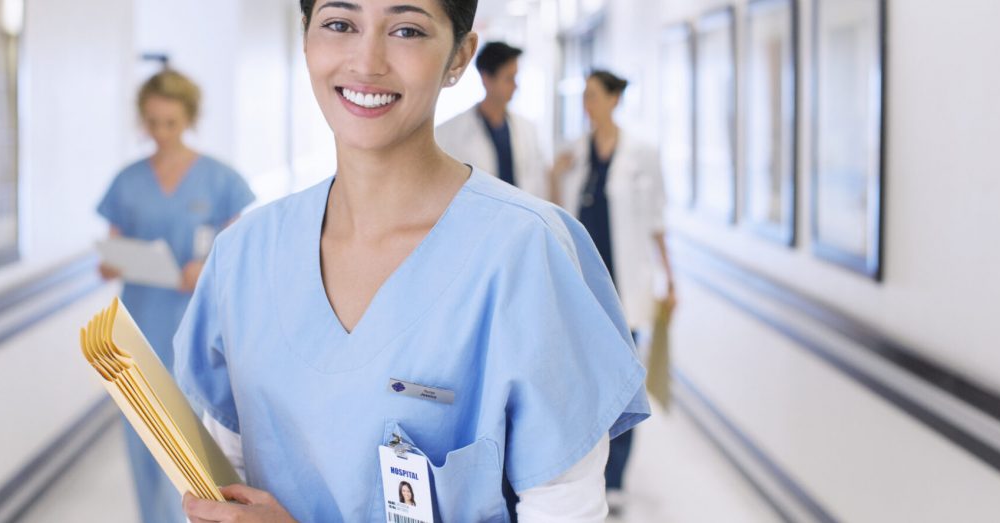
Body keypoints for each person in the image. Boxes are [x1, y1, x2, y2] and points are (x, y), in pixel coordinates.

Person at [175, 2, 648, 521]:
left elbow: (564, 510)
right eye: (339, 24)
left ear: (459, 57)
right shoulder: (243, 257)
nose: (367, 61)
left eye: (407, 30)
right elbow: (230, 484)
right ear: (306, 37)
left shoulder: (526, 253)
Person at [96, 69, 255, 523]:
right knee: (144, 444)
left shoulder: (221, 180)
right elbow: (111, 250)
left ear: (189, 118)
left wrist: (204, 271)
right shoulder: (127, 181)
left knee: (195, 449)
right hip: (136, 330)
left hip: (199, 332)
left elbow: (236, 259)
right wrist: (113, 262)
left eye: (170, 122)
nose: (161, 133)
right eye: (152, 122)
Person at [548, 70, 676, 514]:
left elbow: (657, 222)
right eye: (583, 96)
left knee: (624, 384)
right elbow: (553, 214)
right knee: (584, 384)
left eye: (593, 96)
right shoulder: (573, 152)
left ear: (614, 100)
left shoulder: (642, 153)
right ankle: (588, 470)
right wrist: (554, 173)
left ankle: (616, 476)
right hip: (583, 287)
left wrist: (669, 281)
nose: (587, 104)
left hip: (627, 290)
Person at [434, 41, 549, 199]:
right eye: (509, 79)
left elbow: (537, 181)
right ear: (486, 78)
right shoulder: (448, 133)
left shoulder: (527, 129)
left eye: (516, 78)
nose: (516, 86)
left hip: (523, 217)